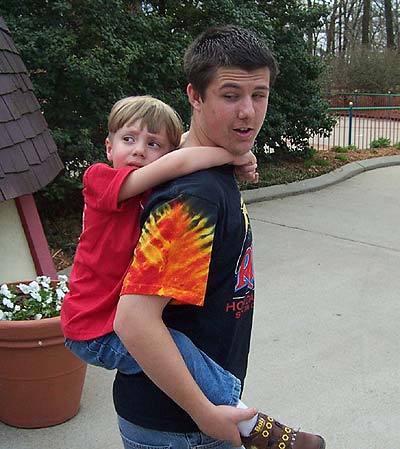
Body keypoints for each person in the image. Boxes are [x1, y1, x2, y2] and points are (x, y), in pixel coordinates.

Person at [113, 25, 326, 449]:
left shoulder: (206, 166)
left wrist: (235, 156)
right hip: (180, 425)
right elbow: (134, 320)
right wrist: (205, 413)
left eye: (259, 94)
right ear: (195, 96)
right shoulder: (194, 198)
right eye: (230, 96)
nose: (247, 111)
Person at [61, 95, 259, 407]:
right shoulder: (99, 180)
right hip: (91, 329)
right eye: (128, 139)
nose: (139, 150)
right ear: (109, 147)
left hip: (108, 318)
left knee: (167, 347)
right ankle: (241, 415)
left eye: (152, 144)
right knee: (173, 349)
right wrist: (233, 153)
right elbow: (177, 160)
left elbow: (176, 151)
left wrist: (235, 155)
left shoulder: (150, 181)